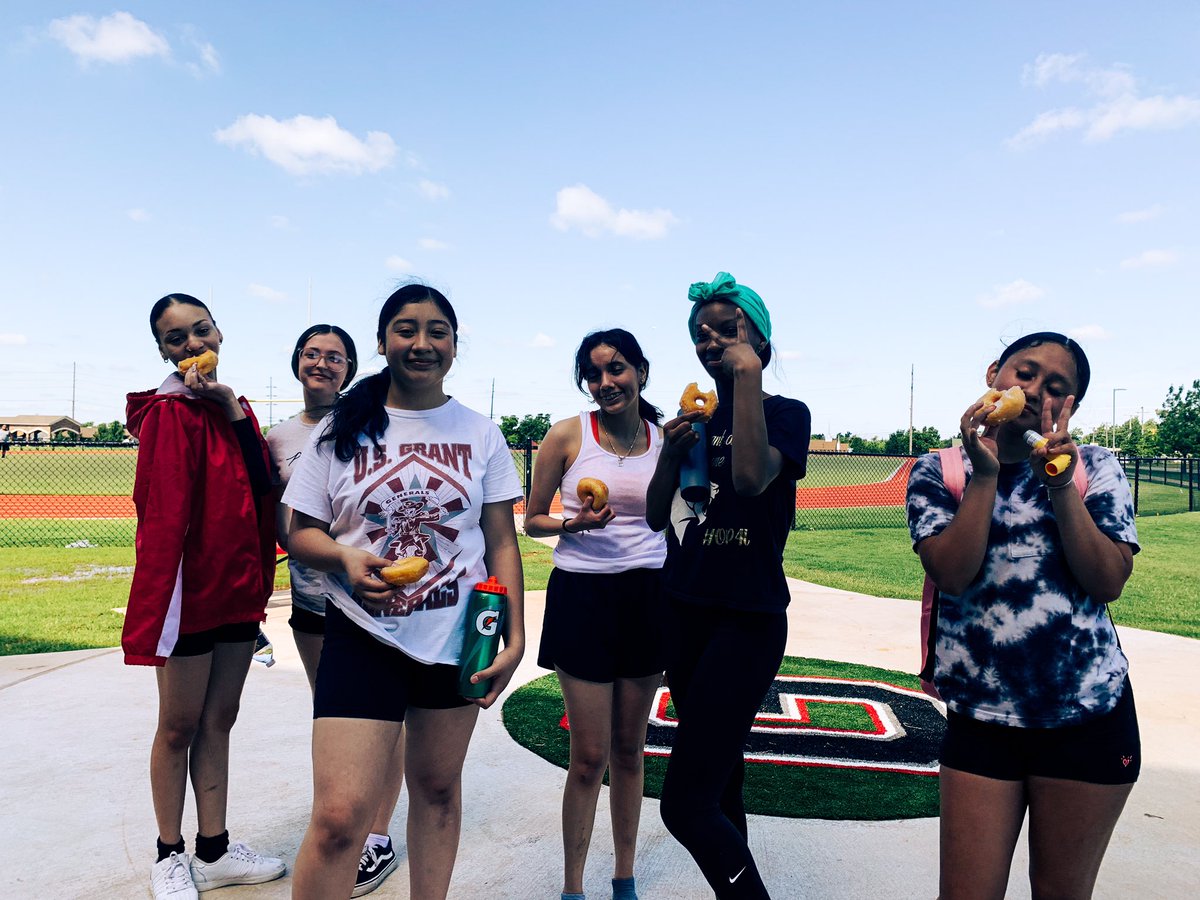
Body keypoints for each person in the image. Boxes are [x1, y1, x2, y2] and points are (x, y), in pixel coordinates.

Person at [284, 283, 526, 900]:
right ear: (384, 341)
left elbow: (501, 543)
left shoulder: (482, 433)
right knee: (341, 817)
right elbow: (300, 533)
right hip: (363, 633)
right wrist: (344, 557)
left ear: (454, 343)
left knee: (438, 792)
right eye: (406, 329)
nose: (422, 343)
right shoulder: (341, 427)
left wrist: (514, 633)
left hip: (459, 636)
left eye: (437, 330)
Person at [906, 331, 1140, 900]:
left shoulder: (1096, 468)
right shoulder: (939, 472)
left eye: (1056, 387)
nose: (1034, 391)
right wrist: (985, 475)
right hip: (982, 721)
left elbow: (1108, 580)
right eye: (1026, 373)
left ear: (1072, 407)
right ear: (994, 374)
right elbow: (952, 573)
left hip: (1088, 717)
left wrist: (1060, 484)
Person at [646, 272, 811, 899]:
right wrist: (668, 455)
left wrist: (747, 379)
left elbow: (747, 480)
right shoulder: (689, 421)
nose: (709, 340)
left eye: (726, 329)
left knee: (683, 806)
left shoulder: (784, 414)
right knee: (720, 784)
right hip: (683, 611)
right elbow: (657, 517)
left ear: (761, 340)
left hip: (748, 618)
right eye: (699, 334)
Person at [124, 294, 286, 899]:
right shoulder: (169, 413)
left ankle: (213, 849)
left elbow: (262, 484)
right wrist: (160, 600)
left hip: (238, 591)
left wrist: (231, 412)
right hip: (191, 597)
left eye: (201, 330)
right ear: (163, 350)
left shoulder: (233, 405)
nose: (193, 345)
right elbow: (161, 516)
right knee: (178, 725)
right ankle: (170, 853)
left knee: (220, 719)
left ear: (219, 331)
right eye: (176, 338)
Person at [526, 329, 667, 900]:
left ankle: (624, 876)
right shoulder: (566, 435)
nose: (605, 382)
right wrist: (573, 525)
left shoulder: (666, 440)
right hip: (582, 599)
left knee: (631, 751)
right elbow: (532, 518)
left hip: (648, 599)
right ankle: (573, 887)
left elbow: (673, 521)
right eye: (593, 373)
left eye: (616, 369)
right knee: (588, 756)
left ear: (640, 371)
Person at [266, 324, 405, 896]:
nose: (322, 364)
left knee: (384, 716)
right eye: (312, 354)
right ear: (297, 361)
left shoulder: (368, 422)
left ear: (350, 367)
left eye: (335, 357)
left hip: (367, 598)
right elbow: (279, 519)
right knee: (334, 712)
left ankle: (376, 834)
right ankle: (341, 816)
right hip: (309, 596)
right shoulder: (276, 438)